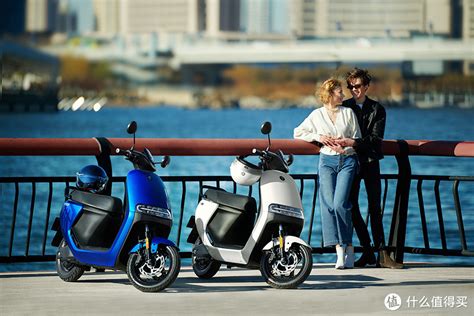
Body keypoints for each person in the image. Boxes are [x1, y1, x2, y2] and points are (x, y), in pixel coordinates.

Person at [335, 68, 403, 269]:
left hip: (371, 162)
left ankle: (383, 254)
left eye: (357, 86)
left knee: (375, 207)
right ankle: (367, 251)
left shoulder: (377, 109)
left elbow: (376, 139)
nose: (353, 90)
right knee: (351, 206)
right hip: (350, 162)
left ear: (366, 86)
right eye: (350, 86)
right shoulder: (343, 107)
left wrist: (354, 142)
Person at [294, 78, 361, 269]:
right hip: (326, 162)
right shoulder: (317, 115)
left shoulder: (348, 113)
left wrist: (346, 143)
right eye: (340, 92)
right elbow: (298, 132)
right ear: (330, 94)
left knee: (340, 204)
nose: (343, 95)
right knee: (329, 206)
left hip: (348, 160)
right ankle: (339, 251)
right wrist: (319, 137)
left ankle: (349, 246)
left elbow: (357, 137)